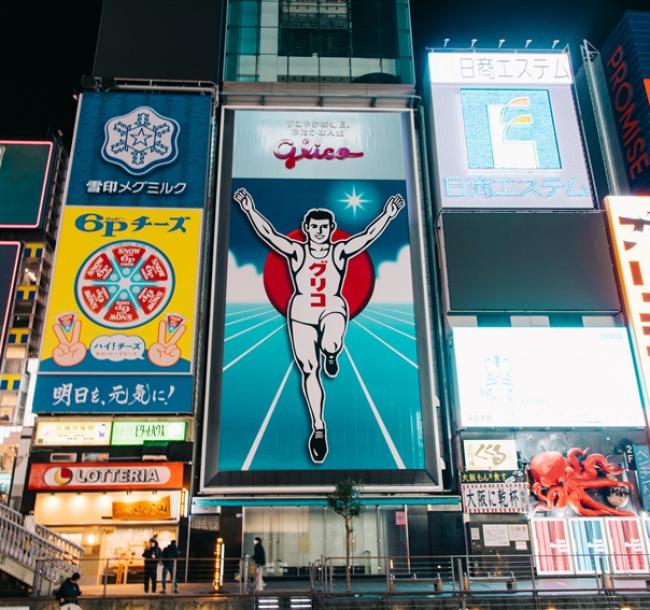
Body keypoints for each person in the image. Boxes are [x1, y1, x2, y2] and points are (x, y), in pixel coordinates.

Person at [234, 187, 405, 463]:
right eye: (314, 227)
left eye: (324, 227)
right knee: (308, 370)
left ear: (331, 229)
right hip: (301, 311)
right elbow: (268, 234)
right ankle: (318, 428)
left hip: (332, 307)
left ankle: (332, 352)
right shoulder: (296, 252)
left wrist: (388, 215)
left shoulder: (339, 252)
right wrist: (249, 209)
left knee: (331, 341)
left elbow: (367, 237)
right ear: (307, 228)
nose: (319, 231)